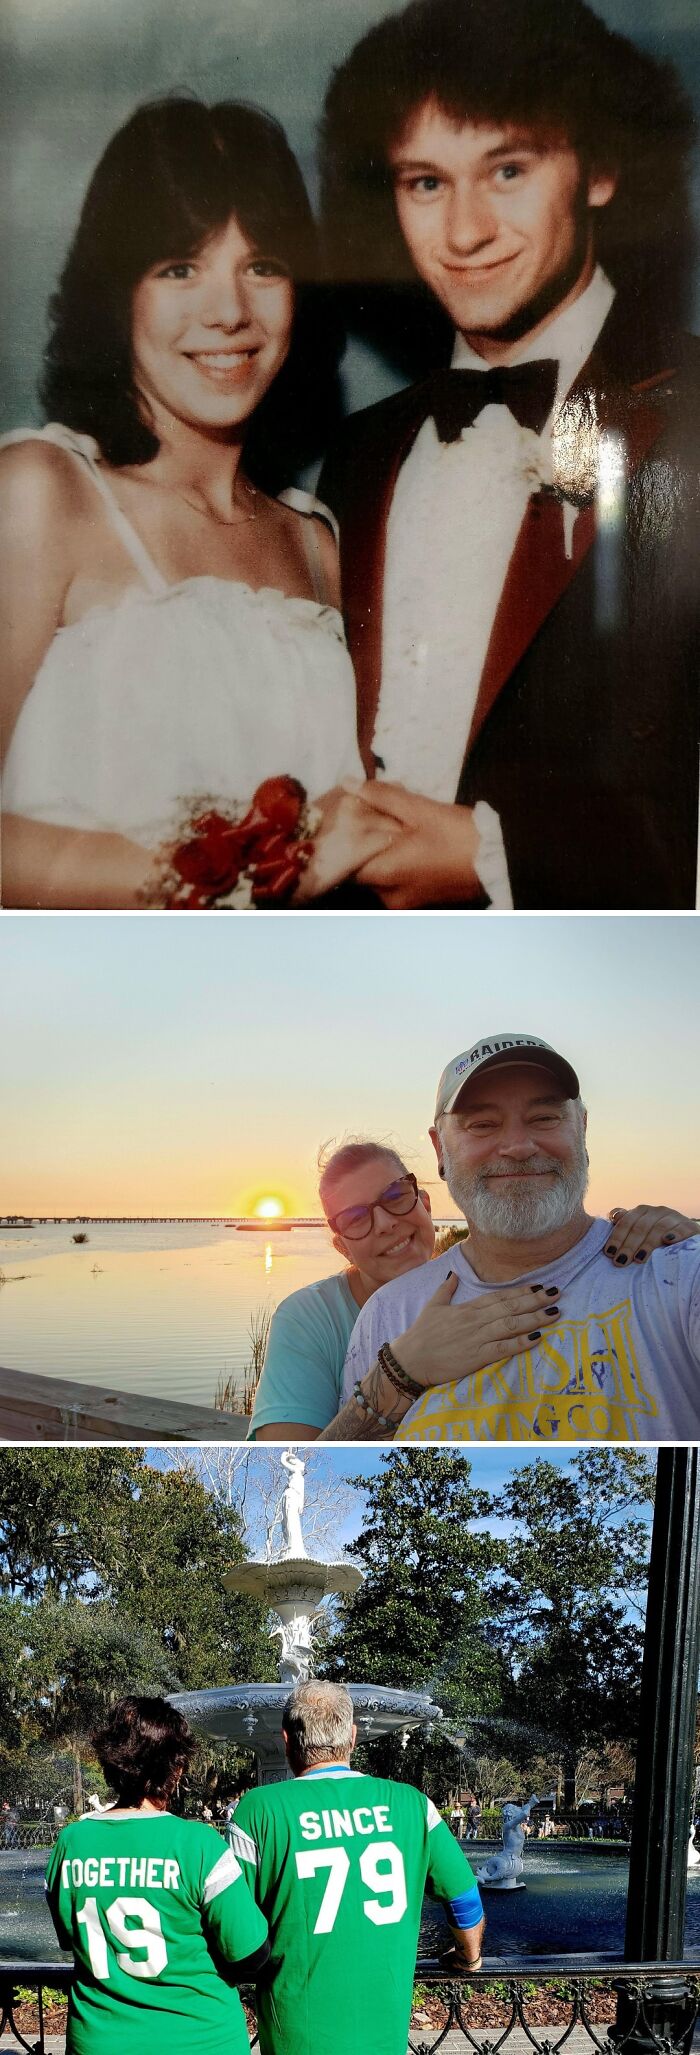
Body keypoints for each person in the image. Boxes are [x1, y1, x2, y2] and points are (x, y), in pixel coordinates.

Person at [318, 0, 700, 909]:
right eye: (425, 183)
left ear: (600, 168)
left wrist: (499, 852)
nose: (464, 234)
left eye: (509, 169)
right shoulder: (362, 457)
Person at [0, 97, 389, 909]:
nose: (229, 312)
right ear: (119, 292)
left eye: (263, 265)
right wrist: (236, 874)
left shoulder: (323, 546)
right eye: (181, 266)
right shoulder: (42, 493)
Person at [336, 1031, 700, 1442]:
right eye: (483, 1124)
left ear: (581, 1128)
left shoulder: (681, 1276)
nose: (518, 1146)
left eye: (545, 1118)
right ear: (440, 1151)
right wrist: (399, 1376)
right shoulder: (387, 1316)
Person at [248, 1136, 692, 1441]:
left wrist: (684, 1240)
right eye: (355, 1220)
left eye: (395, 1197)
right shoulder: (315, 1318)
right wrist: (400, 1370)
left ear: (424, 1203)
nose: (385, 1224)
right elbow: (296, 1469)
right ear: (341, 1245)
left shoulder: (660, 1275)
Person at [229, 1680, 484, 2055]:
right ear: (351, 1736)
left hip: (296, 2037)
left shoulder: (258, 1810)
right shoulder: (412, 1805)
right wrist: (468, 1958)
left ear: (287, 1739)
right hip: (384, 2037)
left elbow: (231, 1930)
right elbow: (465, 1903)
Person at [44, 1696, 269, 2055]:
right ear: (175, 1769)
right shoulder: (198, 1844)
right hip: (200, 2040)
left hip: (102, 2041)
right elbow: (249, 1956)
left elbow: (71, 1939)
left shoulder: (71, 1843)